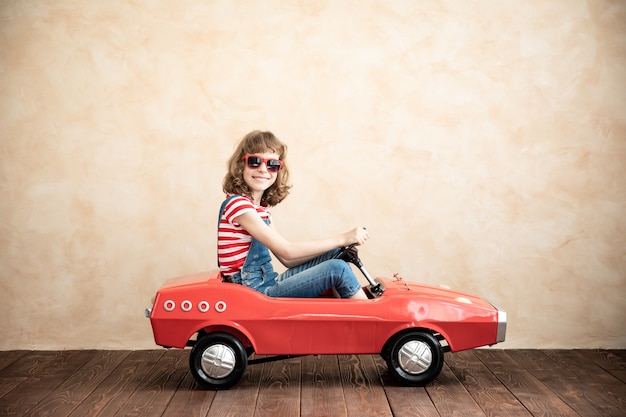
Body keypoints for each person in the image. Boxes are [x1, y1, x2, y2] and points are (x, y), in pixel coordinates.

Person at [217, 130, 369, 299]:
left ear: (278, 170)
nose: (262, 169)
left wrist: (336, 248)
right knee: (337, 269)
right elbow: (287, 250)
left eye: (272, 164)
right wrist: (342, 238)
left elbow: (286, 260)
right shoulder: (238, 205)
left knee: (335, 257)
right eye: (254, 162)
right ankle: (372, 319)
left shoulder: (261, 210)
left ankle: (342, 316)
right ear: (240, 165)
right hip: (253, 292)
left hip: (265, 283)